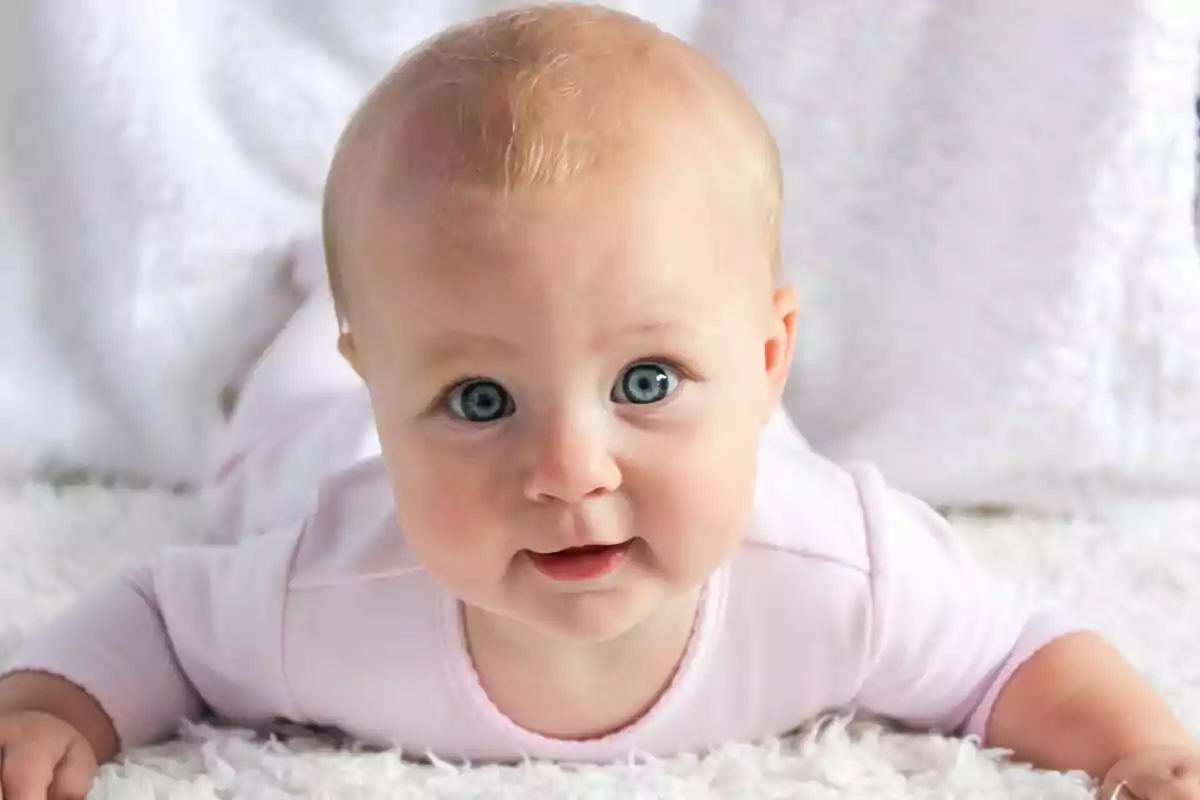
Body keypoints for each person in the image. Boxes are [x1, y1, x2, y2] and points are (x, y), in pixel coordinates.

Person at [0, 5, 1195, 799]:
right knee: (291, 385)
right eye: (479, 399)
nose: (569, 469)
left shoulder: (843, 569)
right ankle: (323, 302)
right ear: (391, 393)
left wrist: (1141, 747)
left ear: (778, 349)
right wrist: (58, 699)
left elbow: (1012, 653)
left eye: (643, 382)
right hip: (309, 436)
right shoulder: (322, 590)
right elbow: (158, 614)